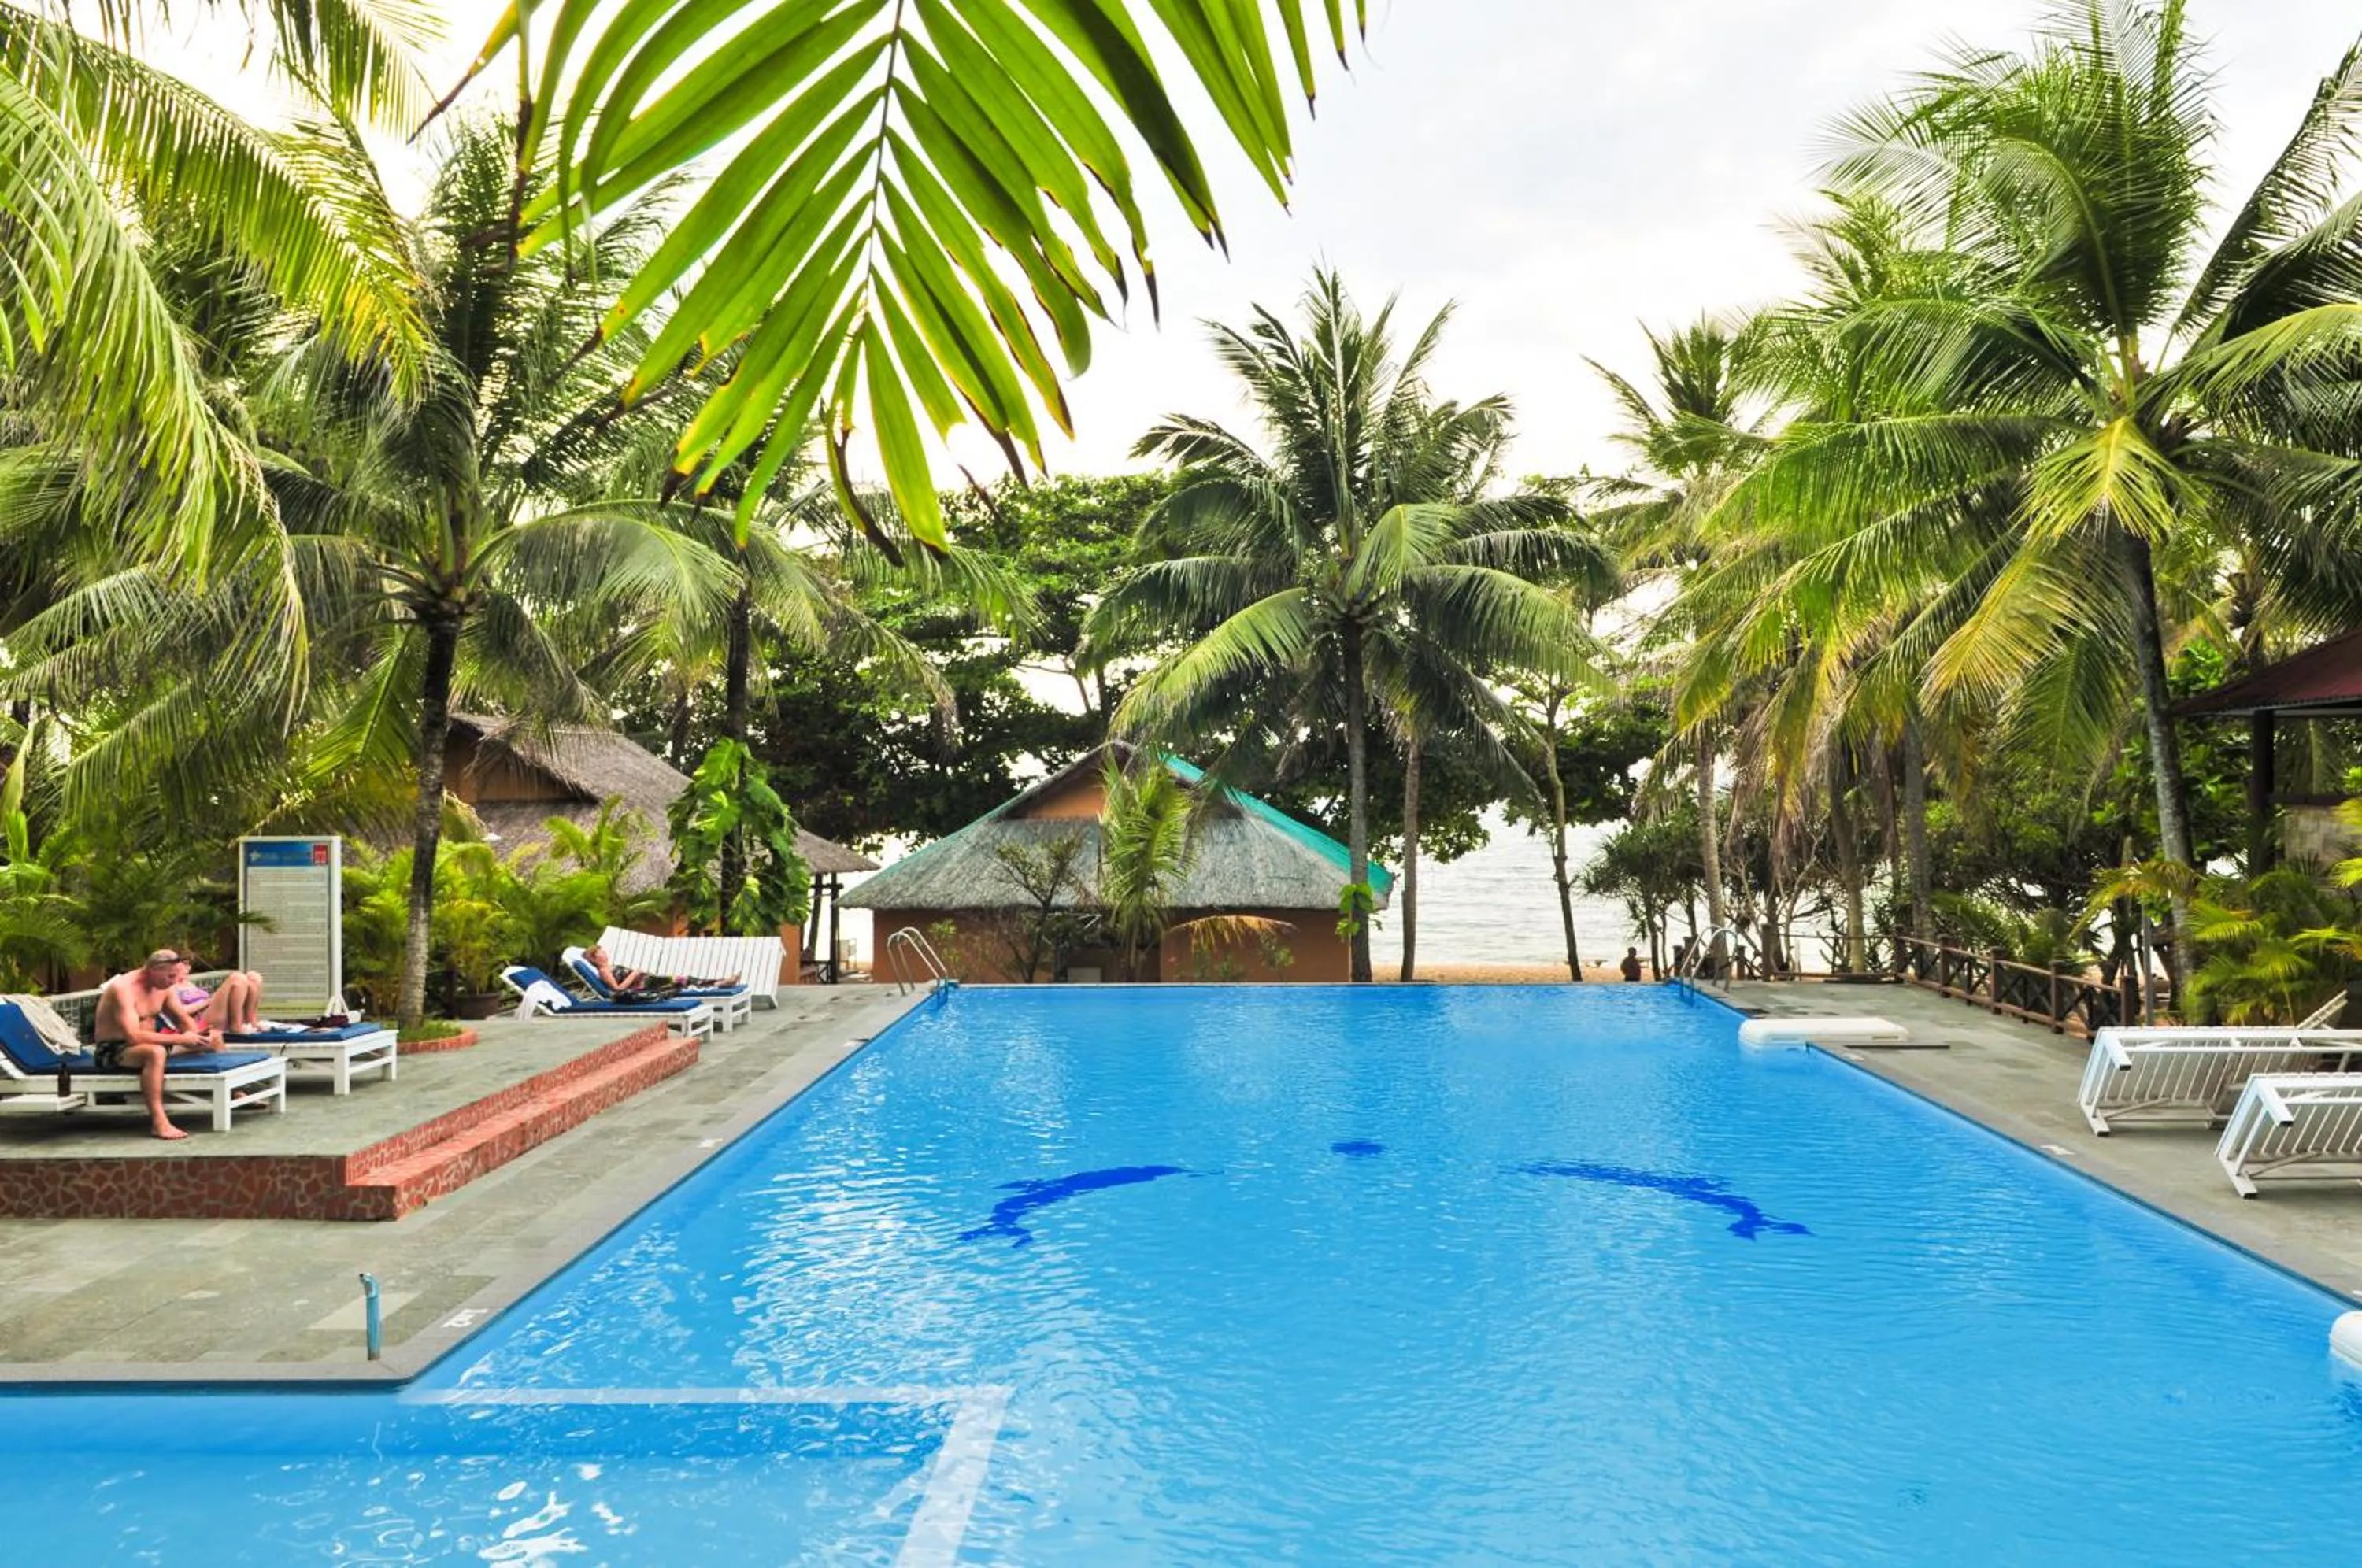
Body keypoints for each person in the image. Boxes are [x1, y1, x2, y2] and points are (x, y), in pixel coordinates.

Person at [90, 950, 202, 1140]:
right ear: (155, 970)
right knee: (155, 1053)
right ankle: (159, 1122)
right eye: (171, 976)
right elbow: (133, 1037)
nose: (174, 981)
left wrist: (195, 1035)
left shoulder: (164, 987)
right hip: (114, 1050)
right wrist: (182, 1039)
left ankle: (236, 1093)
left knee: (214, 1038)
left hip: (149, 1043)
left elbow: (182, 1019)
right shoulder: (123, 989)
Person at [585, 944, 737, 997]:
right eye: (600, 953)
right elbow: (618, 989)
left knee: (680, 983)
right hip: (641, 984)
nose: (605, 954)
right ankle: (720, 983)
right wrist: (634, 974)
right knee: (683, 980)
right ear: (594, 958)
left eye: (604, 951)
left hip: (645, 980)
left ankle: (718, 984)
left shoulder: (609, 967)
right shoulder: (604, 971)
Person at [165, 958, 265, 1037]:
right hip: (198, 1022)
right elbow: (179, 1011)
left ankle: (251, 1021)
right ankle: (236, 1027)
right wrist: (206, 1002)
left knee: (254, 977)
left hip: (212, 1012)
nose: (189, 968)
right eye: (185, 964)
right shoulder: (169, 987)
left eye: (189, 964)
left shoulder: (189, 984)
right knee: (237, 978)